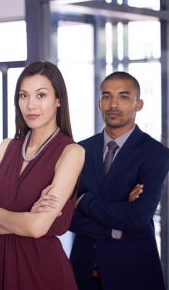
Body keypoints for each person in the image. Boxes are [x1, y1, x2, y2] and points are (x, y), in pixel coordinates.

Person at [0, 61, 85, 290]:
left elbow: (36, 229)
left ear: (58, 100)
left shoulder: (72, 152)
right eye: (24, 95)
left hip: (44, 272)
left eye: (41, 95)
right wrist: (26, 221)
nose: (30, 105)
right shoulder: (6, 147)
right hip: (1, 266)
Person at [68, 72, 169, 290]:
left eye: (123, 97)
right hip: (81, 274)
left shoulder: (156, 154)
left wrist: (83, 201)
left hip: (133, 274)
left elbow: (136, 217)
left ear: (139, 104)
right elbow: (64, 216)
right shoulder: (78, 150)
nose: (113, 104)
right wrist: (118, 216)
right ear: (99, 103)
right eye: (107, 96)